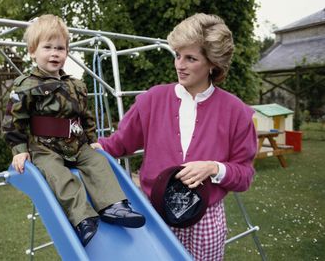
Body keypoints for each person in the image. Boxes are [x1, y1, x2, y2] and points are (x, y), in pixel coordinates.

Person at [91, 13, 257, 260]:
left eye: (191, 58)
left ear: (213, 63)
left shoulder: (236, 112)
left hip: (206, 220)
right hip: (155, 214)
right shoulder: (151, 100)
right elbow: (118, 144)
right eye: (178, 55)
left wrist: (213, 168)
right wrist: (86, 148)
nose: (180, 64)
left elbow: (244, 176)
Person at [2, 14, 145, 247]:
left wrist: (91, 140)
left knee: (98, 162)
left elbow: (85, 117)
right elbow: (13, 120)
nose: (55, 53)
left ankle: (113, 206)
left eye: (60, 48)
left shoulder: (76, 84)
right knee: (58, 175)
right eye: (47, 47)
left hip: (75, 144)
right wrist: (19, 149)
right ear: (32, 51)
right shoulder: (25, 85)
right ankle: (83, 218)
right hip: (44, 148)